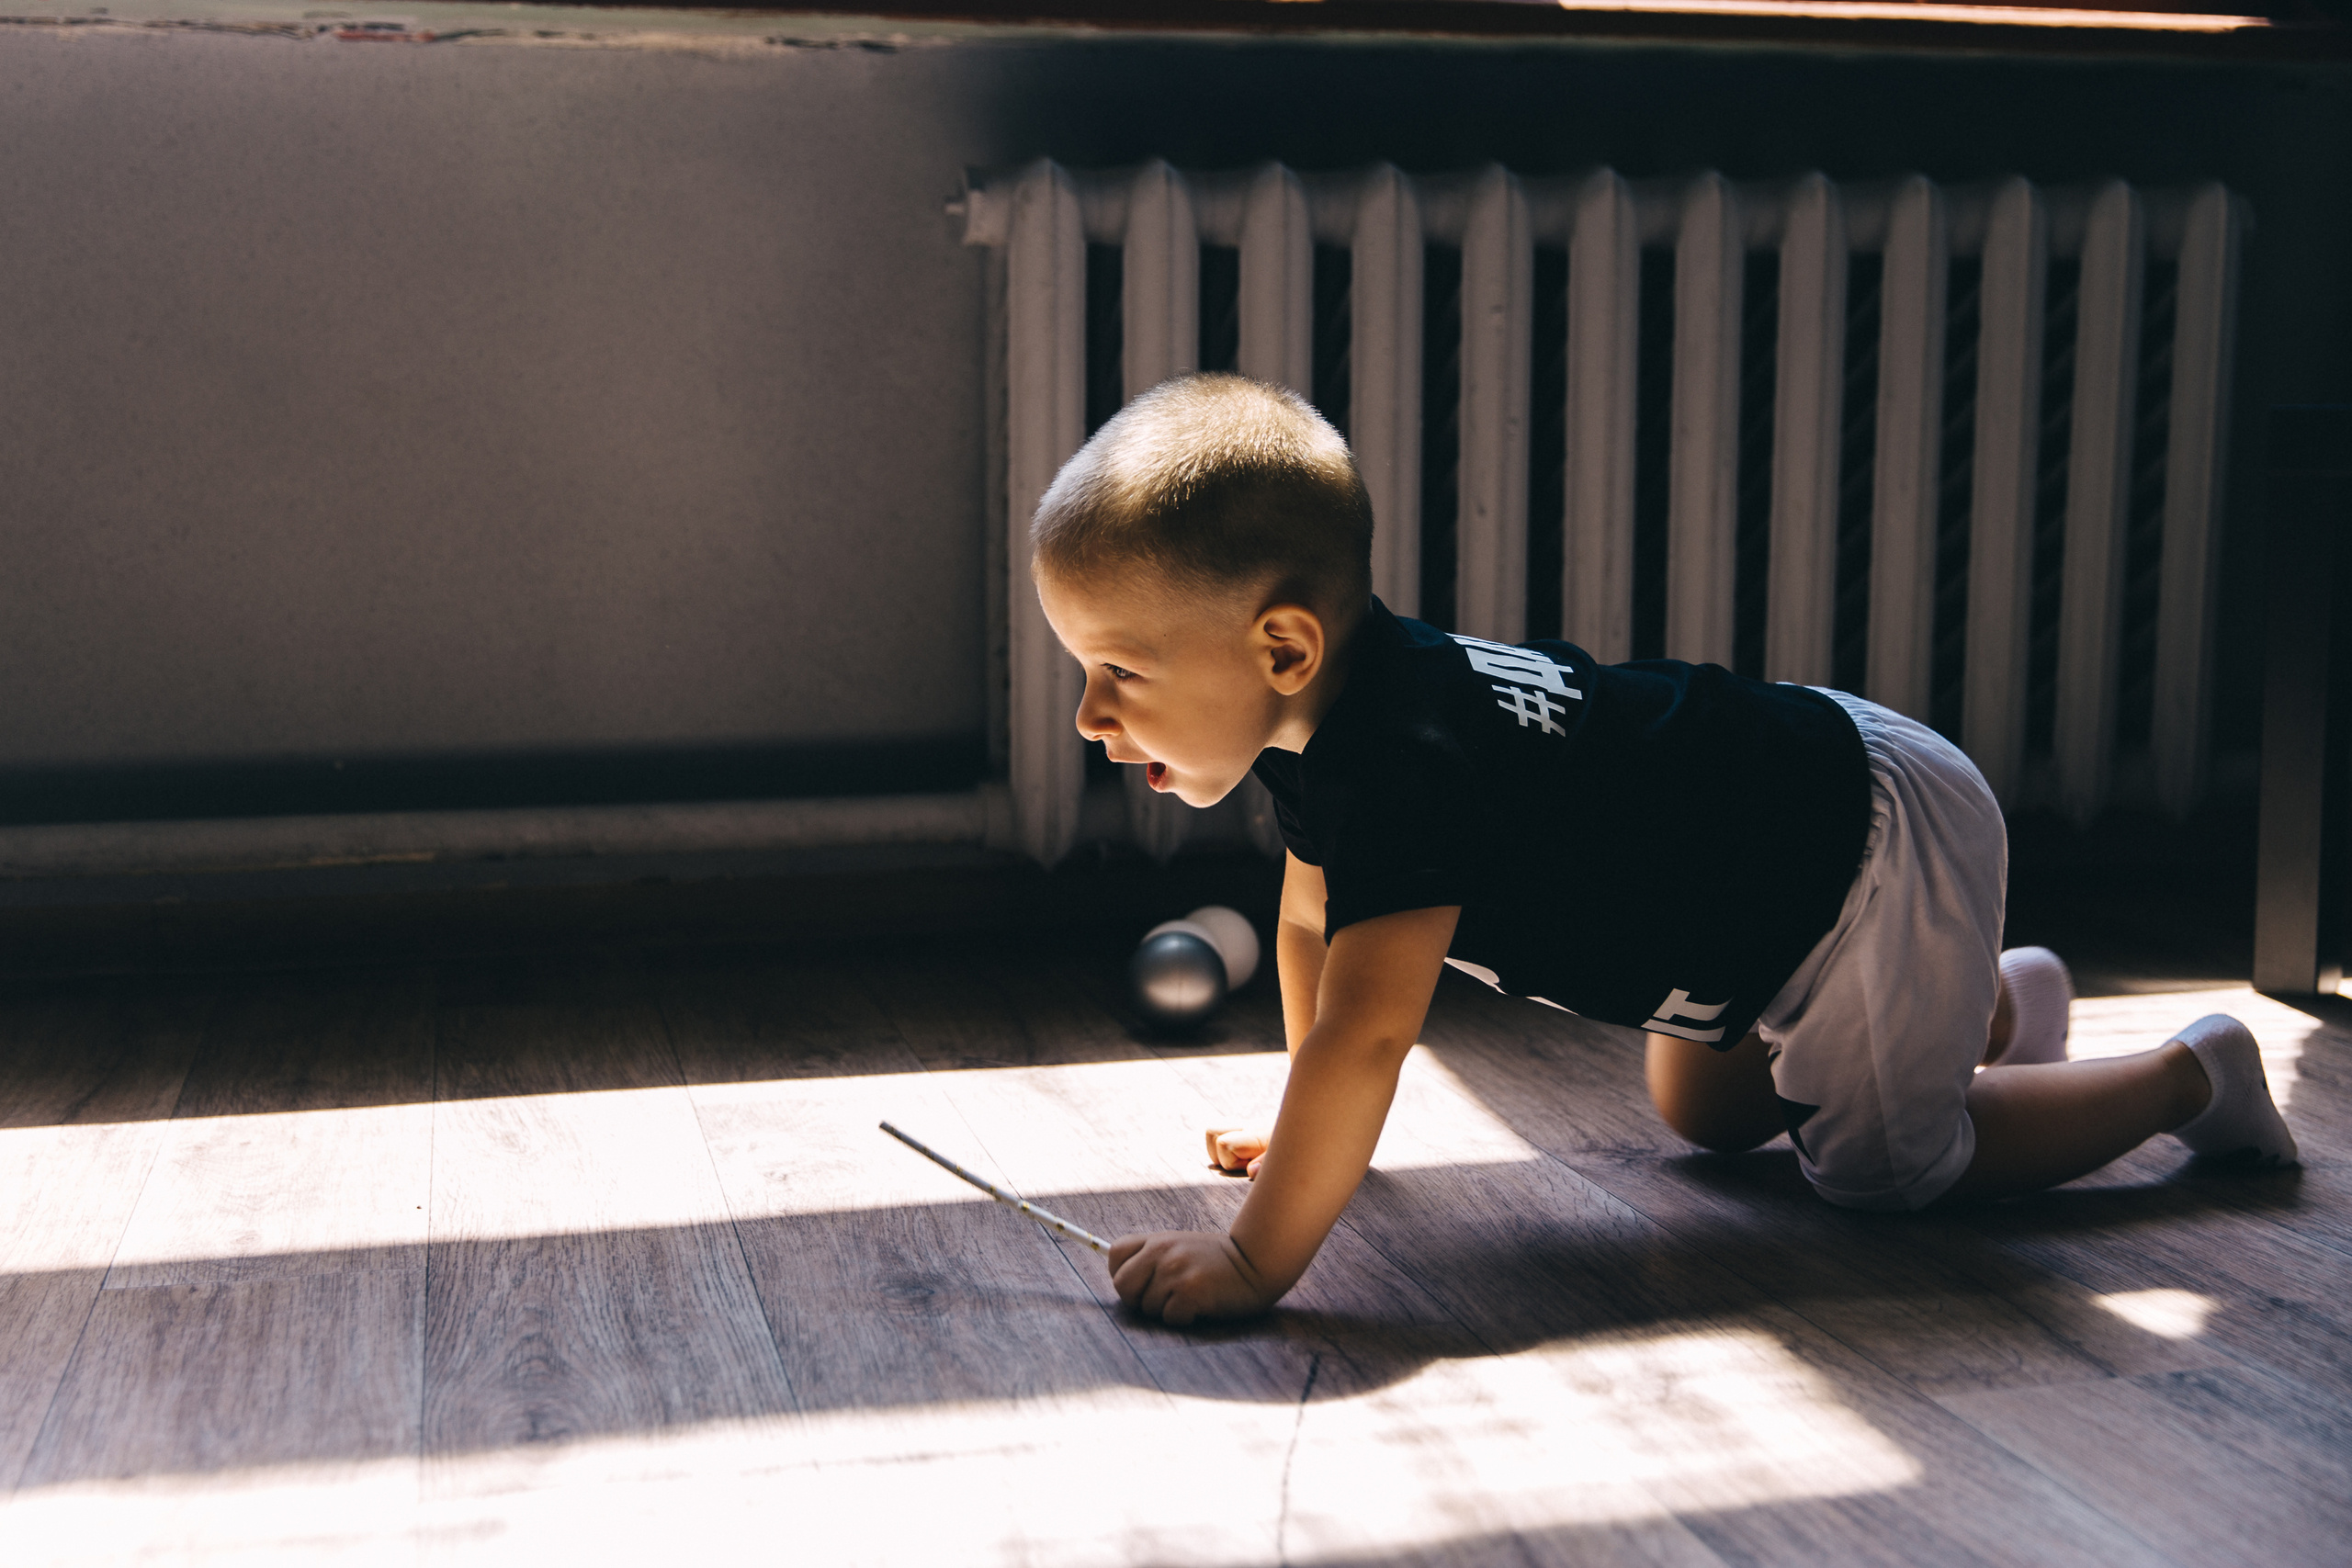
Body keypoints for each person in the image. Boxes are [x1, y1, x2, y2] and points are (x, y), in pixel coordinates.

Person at [1033, 372, 2298, 1326]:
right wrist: (1303, 1127)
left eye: (1118, 671)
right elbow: (1310, 923)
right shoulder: (1332, 722)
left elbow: (1368, 1035)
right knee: (1705, 1115)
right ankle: (1999, 1004)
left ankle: (2190, 1079)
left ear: (1283, 648)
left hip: (1862, 848)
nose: (1089, 715)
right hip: (1778, 866)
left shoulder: (1404, 766)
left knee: (1888, 1176)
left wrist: (1256, 1254)